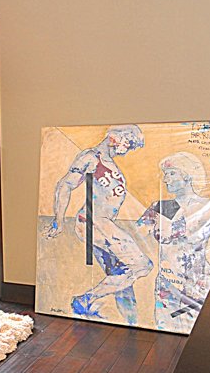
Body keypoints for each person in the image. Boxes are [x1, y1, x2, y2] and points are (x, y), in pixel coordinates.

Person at [45, 124, 153, 325]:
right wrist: (58, 221)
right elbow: (65, 185)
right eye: (129, 142)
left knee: (121, 275)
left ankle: (130, 323)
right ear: (116, 136)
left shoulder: (109, 163)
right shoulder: (91, 157)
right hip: (94, 222)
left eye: (132, 146)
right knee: (142, 265)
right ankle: (85, 299)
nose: (128, 149)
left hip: (103, 225)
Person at [138, 152, 210, 332]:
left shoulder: (208, 208)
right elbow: (137, 237)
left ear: (187, 175)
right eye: (165, 174)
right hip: (166, 283)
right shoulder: (158, 207)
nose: (165, 179)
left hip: (197, 284)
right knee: (164, 332)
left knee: (198, 333)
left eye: (172, 173)